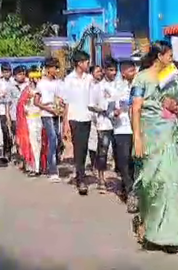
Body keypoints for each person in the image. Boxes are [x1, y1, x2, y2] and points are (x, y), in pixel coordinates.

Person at [130, 40, 178, 250]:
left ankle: (169, 235)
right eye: (169, 55)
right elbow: (136, 109)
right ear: (159, 56)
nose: (172, 59)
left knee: (170, 183)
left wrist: (175, 106)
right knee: (151, 184)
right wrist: (137, 138)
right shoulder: (142, 78)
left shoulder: (173, 80)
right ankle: (146, 224)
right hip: (149, 136)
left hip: (169, 137)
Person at [62, 50, 95, 195]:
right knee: (78, 148)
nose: (88, 64)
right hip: (74, 118)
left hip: (87, 117)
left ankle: (80, 173)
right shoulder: (69, 80)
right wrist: (65, 123)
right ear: (79, 63)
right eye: (86, 62)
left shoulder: (89, 79)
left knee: (85, 147)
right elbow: (66, 103)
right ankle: (81, 178)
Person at [89, 58, 118, 194]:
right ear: (105, 71)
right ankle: (101, 179)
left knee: (119, 153)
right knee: (103, 152)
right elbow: (90, 105)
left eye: (115, 70)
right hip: (104, 124)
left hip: (120, 124)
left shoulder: (119, 85)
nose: (114, 73)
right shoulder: (97, 87)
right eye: (111, 70)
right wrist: (102, 110)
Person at [112, 59, 138, 211]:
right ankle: (130, 191)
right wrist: (114, 113)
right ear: (123, 72)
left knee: (135, 160)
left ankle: (134, 189)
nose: (133, 73)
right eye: (130, 70)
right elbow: (107, 107)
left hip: (136, 129)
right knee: (124, 161)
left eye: (134, 70)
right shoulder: (116, 88)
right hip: (121, 128)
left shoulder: (139, 85)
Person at [35, 57, 63, 182]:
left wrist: (60, 105)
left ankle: (54, 163)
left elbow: (61, 97)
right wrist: (48, 108)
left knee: (58, 138)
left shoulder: (58, 82)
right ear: (48, 69)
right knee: (52, 139)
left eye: (57, 68)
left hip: (57, 112)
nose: (56, 70)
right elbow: (36, 102)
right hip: (47, 113)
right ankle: (52, 171)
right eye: (54, 68)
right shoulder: (41, 83)